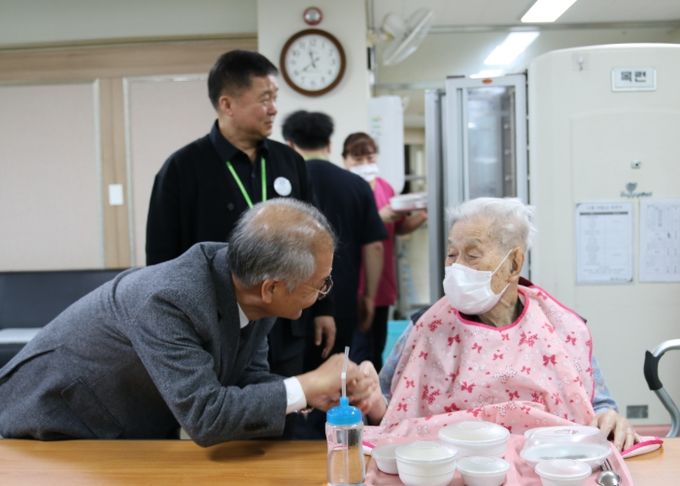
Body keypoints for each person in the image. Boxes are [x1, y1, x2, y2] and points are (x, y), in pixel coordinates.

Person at [0, 199, 376, 446]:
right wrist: (305, 385)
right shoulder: (170, 299)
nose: (323, 292)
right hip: (54, 423)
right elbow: (206, 415)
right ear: (272, 288)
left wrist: (315, 394)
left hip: (124, 423)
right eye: (320, 284)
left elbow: (247, 379)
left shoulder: (249, 285)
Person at [360, 197, 638, 452]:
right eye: (452, 254)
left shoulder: (564, 329)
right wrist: (371, 401)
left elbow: (599, 407)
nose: (456, 267)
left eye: (472, 255)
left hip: (547, 464)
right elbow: (389, 413)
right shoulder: (425, 327)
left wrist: (610, 418)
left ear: (514, 264)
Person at [144, 49, 334, 378]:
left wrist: (323, 308)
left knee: (287, 398)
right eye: (264, 98)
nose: (274, 109)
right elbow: (161, 259)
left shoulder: (289, 162)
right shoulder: (183, 168)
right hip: (215, 325)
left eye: (275, 98)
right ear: (227, 104)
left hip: (287, 320)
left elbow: (317, 241)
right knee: (224, 404)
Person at [282, 110, 387, 365]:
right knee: (338, 372)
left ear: (290, 145)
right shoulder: (356, 184)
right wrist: (369, 297)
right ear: (329, 144)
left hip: (289, 300)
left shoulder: (283, 184)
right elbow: (374, 247)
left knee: (293, 374)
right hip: (342, 296)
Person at [342, 132, 427, 370]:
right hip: (355, 281)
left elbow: (398, 227)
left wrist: (422, 214)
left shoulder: (385, 187)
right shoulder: (344, 189)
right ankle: (355, 391)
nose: (365, 164)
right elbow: (343, 231)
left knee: (377, 347)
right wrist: (380, 217)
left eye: (369, 158)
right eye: (357, 159)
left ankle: (375, 391)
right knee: (357, 350)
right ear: (345, 160)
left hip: (382, 280)